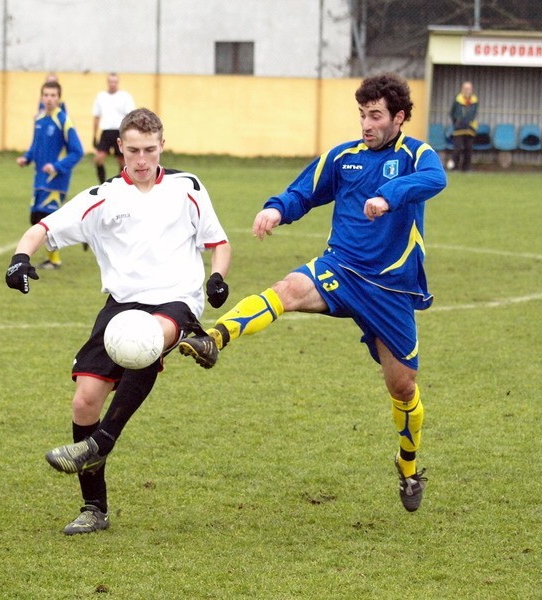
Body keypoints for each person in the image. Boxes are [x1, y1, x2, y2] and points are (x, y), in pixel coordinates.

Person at [179, 73, 447, 513]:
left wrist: (390, 196)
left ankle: (408, 465)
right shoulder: (344, 157)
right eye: (362, 114)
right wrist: (276, 209)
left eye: (376, 115)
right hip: (339, 267)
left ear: (399, 117)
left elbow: (435, 180)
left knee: (402, 388)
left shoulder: (417, 154)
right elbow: (304, 192)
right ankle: (214, 337)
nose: (366, 123)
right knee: (287, 289)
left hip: (390, 289)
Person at [5, 108, 232, 535]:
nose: (142, 159)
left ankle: (100, 443)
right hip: (122, 305)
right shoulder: (102, 197)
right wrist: (20, 259)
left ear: (162, 145)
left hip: (177, 299)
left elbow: (218, 243)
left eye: (149, 149)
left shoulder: (188, 187)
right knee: (84, 400)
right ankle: (94, 508)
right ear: (119, 150)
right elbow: (43, 229)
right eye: (133, 151)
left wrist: (218, 278)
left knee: (147, 342)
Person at [17, 80, 84, 270]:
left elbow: (77, 152)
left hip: (56, 180)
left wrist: (56, 166)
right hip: (39, 178)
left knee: (45, 218)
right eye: (46, 95)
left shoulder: (63, 120)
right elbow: (35, 146)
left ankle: (54, 259)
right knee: (35, 218)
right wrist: (26, 158)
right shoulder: (39, 119)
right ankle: (75, 238)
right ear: (41, 97)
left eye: (53, 95)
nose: (49, 99)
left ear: (59, 98)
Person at [92, 73, 136, 183]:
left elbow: (131, 116)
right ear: (107, 82)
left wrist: (130, 134)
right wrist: (94, 134)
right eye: (111, 82)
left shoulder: (125, 97)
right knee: (98, 159)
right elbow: (96, 116)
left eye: (115, 82)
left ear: (118, 82)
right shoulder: (101, 96)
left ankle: (122, 183)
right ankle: (102, 184)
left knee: (123, 161)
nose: (113, 84)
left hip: (120, 132)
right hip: (106, 132)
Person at [449, 81, 478, 171]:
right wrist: (456, 122)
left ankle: (466, 168)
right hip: (459, 128)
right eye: (465, 88)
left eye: (469, 89)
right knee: (457, 149)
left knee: (468, 149)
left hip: (470, 128)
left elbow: (474, 113)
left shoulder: (475, 100)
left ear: (472, 90)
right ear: (462, 89)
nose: (467, 90)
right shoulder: (458, 99)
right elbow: (452, 112)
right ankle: (454, 167)